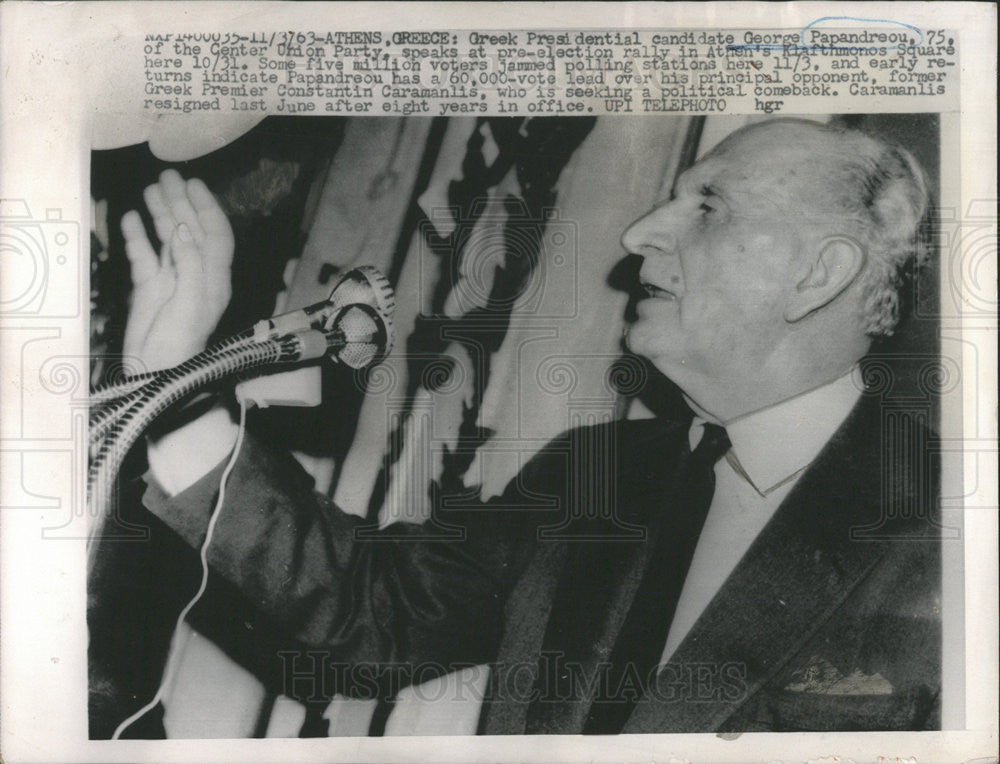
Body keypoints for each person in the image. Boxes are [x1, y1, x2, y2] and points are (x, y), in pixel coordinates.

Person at [113, 118, 941, 734]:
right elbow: (367, 615)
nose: (638, 233)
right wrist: (178, 385)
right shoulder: (593, 472)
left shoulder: (954, 527)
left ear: (818, 274)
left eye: (707, 205)